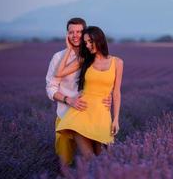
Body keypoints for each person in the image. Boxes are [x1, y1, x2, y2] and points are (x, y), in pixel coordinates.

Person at [45, 18, 112, 168]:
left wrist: (109, 96)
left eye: (79, 32)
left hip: (93, 116)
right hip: (65, 116)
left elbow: (106, 79)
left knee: (100, 161)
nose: (75, 35)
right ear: (67, 35)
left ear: (85, 33)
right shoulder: (58, 58)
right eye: (71, 32)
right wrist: (69, 100)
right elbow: (51, 87)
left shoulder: (93, 56)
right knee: (65, 164)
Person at [55, 26, 123, 162]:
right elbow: (59, 73)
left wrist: (116, 119)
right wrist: (69, 49)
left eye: (90, 41)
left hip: (102, 116)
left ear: (99, 39)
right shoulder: (84, 60)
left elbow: (116, 92)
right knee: (90, 160)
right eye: (85, 43)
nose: (88, 45)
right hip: (81, 114)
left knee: (104, 159)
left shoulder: (117, 62)